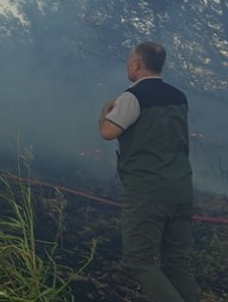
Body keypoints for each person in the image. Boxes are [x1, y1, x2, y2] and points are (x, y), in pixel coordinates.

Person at [98, 41, 198, 302]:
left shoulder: (132, 97)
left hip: (149, 193)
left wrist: (105, 111)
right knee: (177, 262)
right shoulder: (179, 97)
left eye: (130, 59)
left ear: (136, 64)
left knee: (139, 260)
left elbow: (108, 132)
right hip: (182, 190)